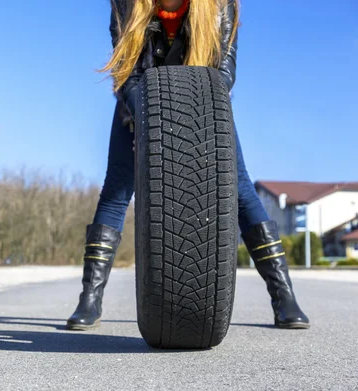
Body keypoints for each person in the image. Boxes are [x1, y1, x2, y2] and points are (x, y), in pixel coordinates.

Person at [66, 0, 310, 331]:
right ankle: (89, 299)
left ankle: (284, 298)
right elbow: (126, 74)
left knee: (240, 191)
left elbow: (225, 73)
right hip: (138, 105)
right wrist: (149, 122)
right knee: (116, 190)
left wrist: (190, 125)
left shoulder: (222, 5)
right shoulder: (125, 4)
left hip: (205, 106)